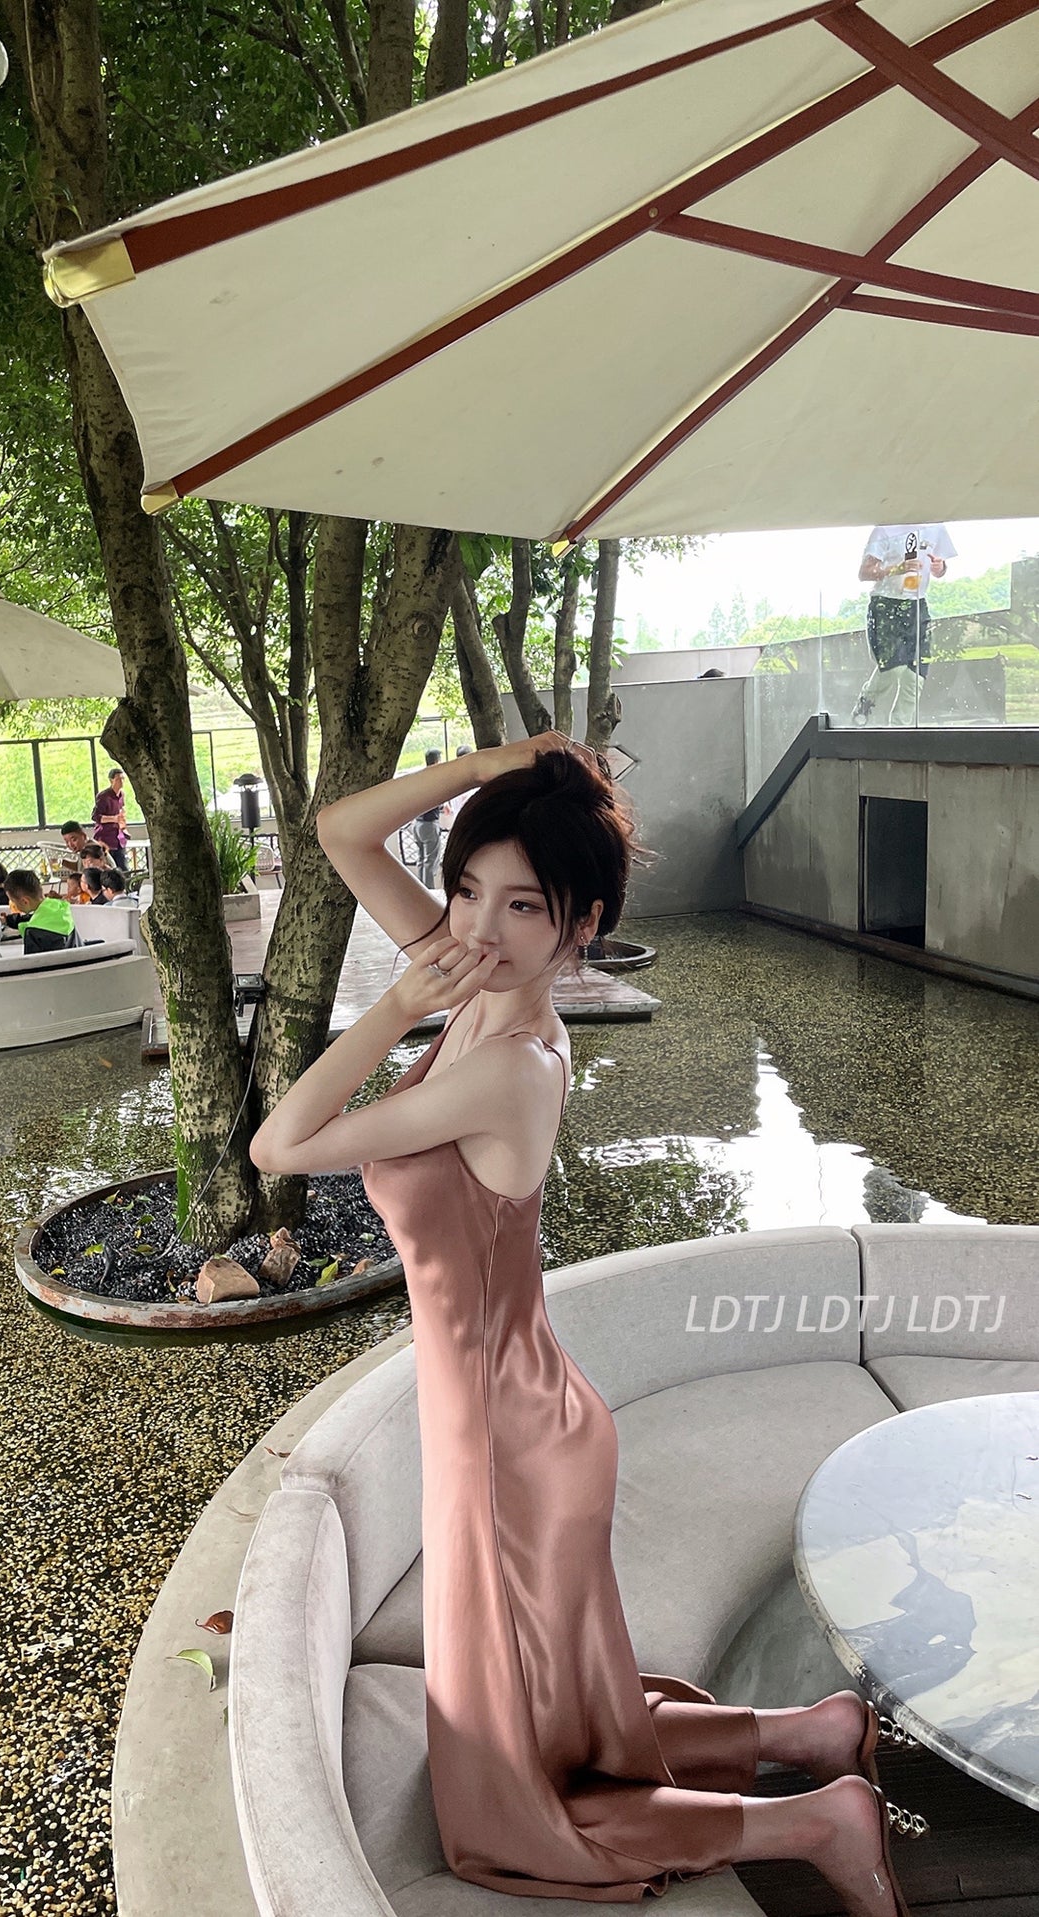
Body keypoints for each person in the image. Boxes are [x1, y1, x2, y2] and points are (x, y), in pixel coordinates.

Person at [248, 734, 912, 1916]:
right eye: (465, 890)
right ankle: (806, 1733)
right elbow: (340, 830)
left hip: (504, 1444)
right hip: (514, 1418)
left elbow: (279, 1146)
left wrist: (391, 1009)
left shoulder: (504, 1058)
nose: (477, 926)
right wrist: (499, 762)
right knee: (556, 1722)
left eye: (521, 905)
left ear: (581, 925)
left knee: (513, 1795)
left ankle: (810, 1820)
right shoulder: (477, 981)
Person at [852, 524, 956, 726]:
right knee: (893, 667)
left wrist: (940, 567)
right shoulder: (885, 528)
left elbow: (941, 568)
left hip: (917, 604)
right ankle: (866, 703)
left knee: (915, 676)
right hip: (886, 604)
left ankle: (901, 727)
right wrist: (895, 569)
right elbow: (864, 573)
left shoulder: (935, 526)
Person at [4, 869, 80, 954]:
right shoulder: (61, 907)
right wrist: (8, 920)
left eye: (12, 901)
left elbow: (33, 961)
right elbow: (34, 917)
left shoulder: (34, 932)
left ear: (24, 901)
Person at [410, 747, 448, 888]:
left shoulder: (420, 777)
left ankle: (420, 889)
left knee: (421, 860)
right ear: (437, 761)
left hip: (417, 824)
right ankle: (428, 892)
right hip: (429, 824)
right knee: (431, 862)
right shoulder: (434, 778)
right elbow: (437, 799)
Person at [91, 767, 129, 872]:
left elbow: (121, 810)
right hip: (106, 839)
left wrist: (123, 826)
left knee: (124, 869)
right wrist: (113, 818)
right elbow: (96, 817)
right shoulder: (104, 796)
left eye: (123, 779)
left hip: (119, 838)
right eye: (118, 779)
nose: (121, 782)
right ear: (111, 780)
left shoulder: (121, 795)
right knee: (109, 869)